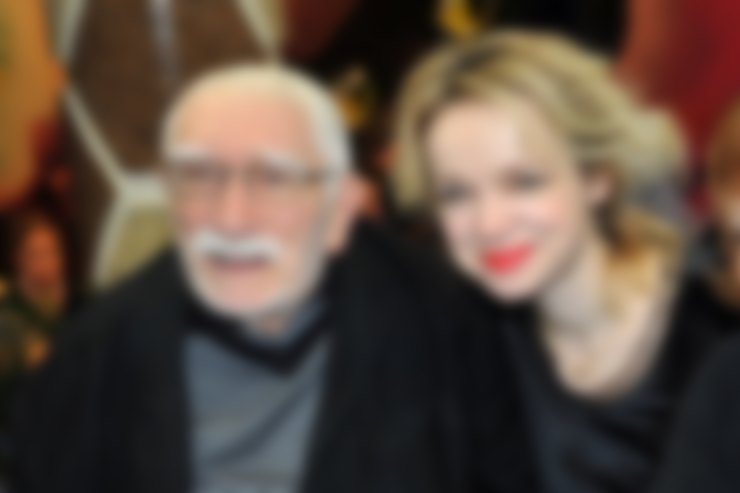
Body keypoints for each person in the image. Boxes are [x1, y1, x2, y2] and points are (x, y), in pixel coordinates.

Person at [10, 64, 492, 493]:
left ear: (341, 208)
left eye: (274, 178)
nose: (232, 219)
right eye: (199, 177)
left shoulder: (446, 330)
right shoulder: (94, 367)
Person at [391, 30, 732, 493]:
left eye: (523, 182)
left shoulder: (716, 317)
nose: (490, 223)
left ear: (597, 177)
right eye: (456, 194)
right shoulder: (470, 355)